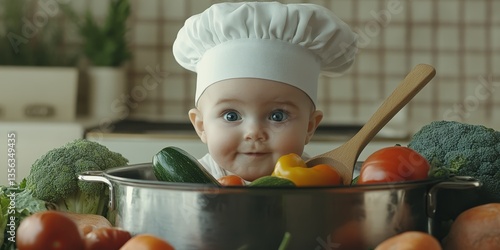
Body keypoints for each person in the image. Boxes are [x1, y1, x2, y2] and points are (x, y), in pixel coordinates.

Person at [172, 1, 358, 181]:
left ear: (309, 126)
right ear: (201, 126)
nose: (254, 132)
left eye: (278, 116)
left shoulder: (319, 179)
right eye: (231, 115)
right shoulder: (189, 182)